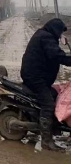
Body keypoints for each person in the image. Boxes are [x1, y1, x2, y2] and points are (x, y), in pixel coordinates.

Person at [21, 18, 71, 152]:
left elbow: (56, 53)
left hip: (37, 77)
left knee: (56, 94)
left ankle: (53, 128)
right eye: (60, 32)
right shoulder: (46, 37)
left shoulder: (44, 35)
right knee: (48, 104)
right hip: (35, 78)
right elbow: (57, 55)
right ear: (55, 29)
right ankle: (46, 141)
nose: (60, 35)